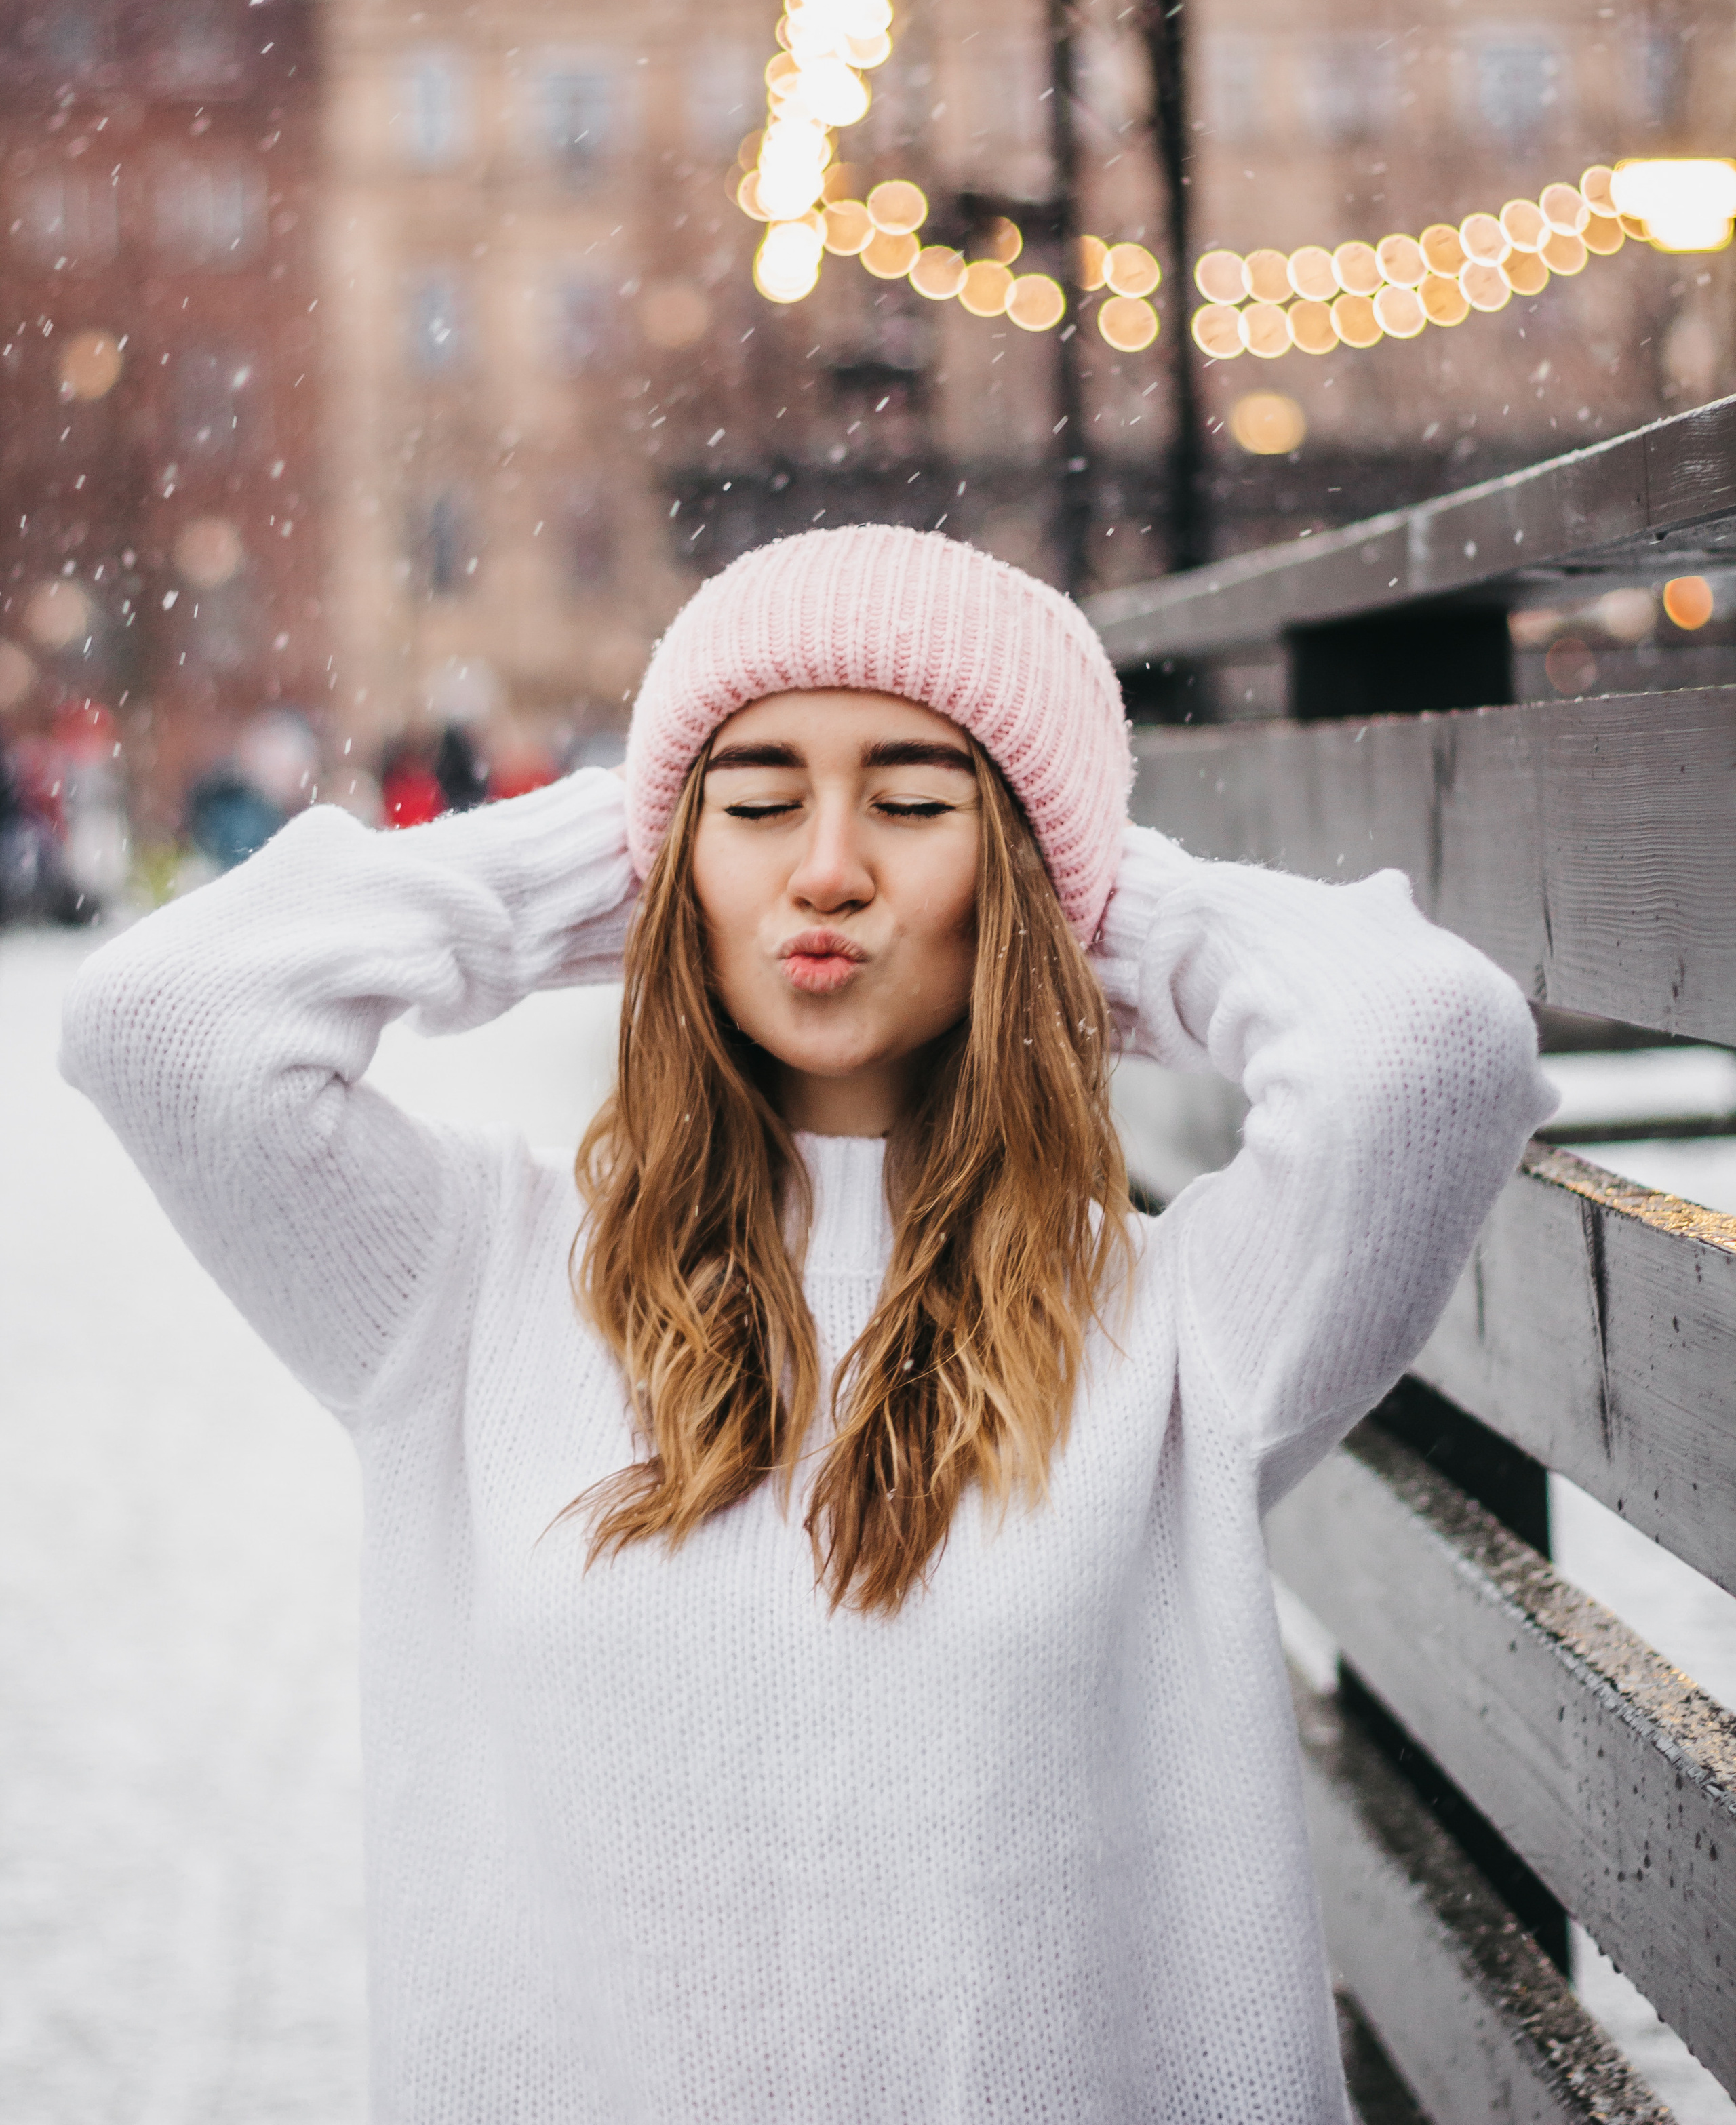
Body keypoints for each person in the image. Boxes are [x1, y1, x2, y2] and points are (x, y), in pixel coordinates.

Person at [60, 525, 1550, 2124]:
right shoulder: (466, 1280)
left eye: (915, 804)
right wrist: (618, 859)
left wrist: (1095, 889)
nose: (825, 866)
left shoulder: (1174, 1326)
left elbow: (1427, 1056)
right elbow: (171, 1025)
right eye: (756, 802)